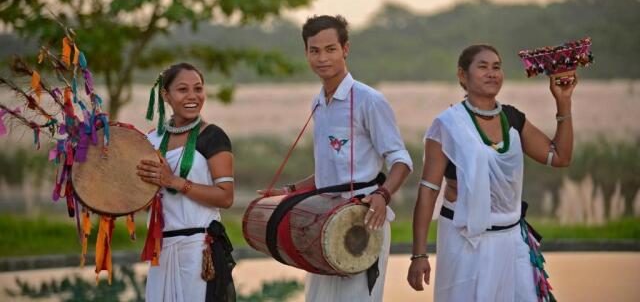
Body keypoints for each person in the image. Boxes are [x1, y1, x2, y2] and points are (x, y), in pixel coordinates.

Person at [261, 15, 413, 302]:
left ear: (345, 49)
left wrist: (383, 195)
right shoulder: (318, 102)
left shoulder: (370, 100)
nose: (322, 58)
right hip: (322, 223)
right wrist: (289, 191)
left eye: (330, 49)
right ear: (306, 53)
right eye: (314, 50)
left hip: (363, 221)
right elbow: (329, 174)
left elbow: (401, 159)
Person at [407, 44, 576, 301]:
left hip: (512, 242)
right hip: (466, 245)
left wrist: (563, 102)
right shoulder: (447, 125)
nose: (491, 73)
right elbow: (429, 192)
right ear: (463, 75)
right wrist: (419, 255)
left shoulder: (513, 119)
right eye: (482, 67)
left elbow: (559, 157)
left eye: (496, 67)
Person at [137, 62, 236, 302]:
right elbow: (142, 196)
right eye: (183, 90)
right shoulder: (151, 140)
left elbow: (226, 196)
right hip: (162, 252)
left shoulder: (212, 136)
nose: (193, 96)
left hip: (199, 252)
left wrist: (175, 181)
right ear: (166, 96)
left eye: (198, 89)